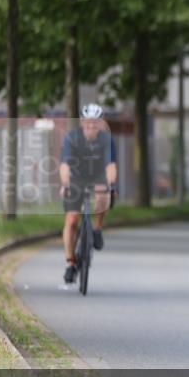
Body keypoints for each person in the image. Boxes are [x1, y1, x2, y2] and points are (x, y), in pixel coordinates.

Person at [60, 103, 117, 284]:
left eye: (95, 123)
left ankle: (97, 228)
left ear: (100, 124)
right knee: (71, 220)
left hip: (98, 176)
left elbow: (111, 166)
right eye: (88, 123)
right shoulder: (72, 138)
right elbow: (64, 165)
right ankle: (70, 263)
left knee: (102, 193)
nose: (91, 127)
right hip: (76, 178)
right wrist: (66, 184)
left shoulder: (106, 140)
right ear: (82, 122)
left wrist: (111, 184)